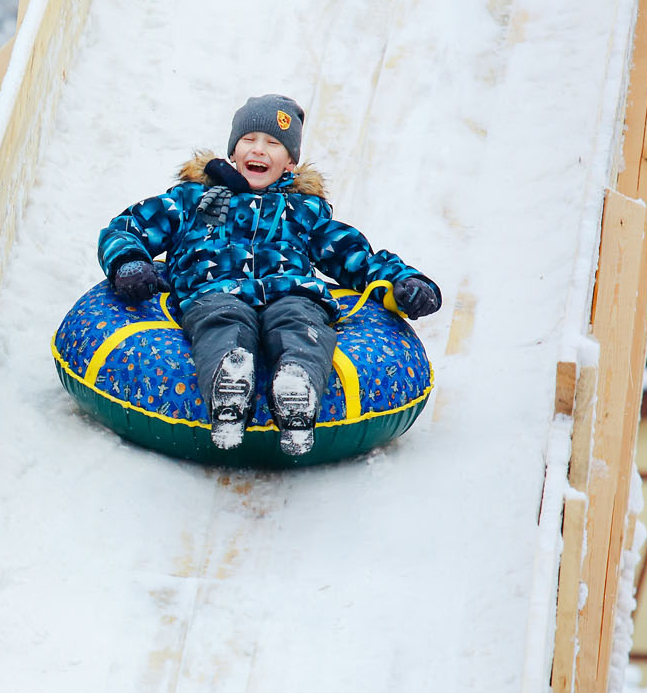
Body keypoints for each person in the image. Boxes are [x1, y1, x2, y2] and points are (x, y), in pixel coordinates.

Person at [97, 93, 441, 457]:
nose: (258, 150)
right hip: (214, 291)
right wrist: (130, 261)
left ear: (290, 163)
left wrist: (405, 282)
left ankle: (297, 389)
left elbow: (354, 256)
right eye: (248, 140)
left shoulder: (303, 211)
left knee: (302, 322)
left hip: (290, 293)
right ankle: (229, 387)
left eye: (273, 144)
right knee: (222, 321)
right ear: (233, 152)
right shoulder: (192, 200)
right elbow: (127, 227)